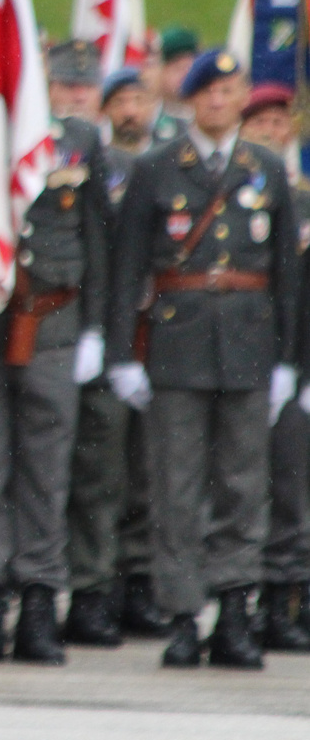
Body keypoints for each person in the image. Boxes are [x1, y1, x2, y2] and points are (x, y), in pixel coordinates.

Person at [107, 49, 299, 669]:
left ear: (244, 97)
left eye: (230, 89)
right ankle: (185, 613)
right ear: (191, 99)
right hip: (175, 345)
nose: (219, 100)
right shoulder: (158, 168)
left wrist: (289, 359)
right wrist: (119, 355)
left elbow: (286, 277)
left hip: (248, 345)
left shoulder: (267, 169)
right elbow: (127, 266)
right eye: (208, 91)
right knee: (177, 486)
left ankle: (237, 610)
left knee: (246, 485)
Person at [0, 40, 110, 665]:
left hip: (55, 323)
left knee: (47, 466)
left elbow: (100, 242)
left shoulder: (79, 141)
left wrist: (98, 331)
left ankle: (40, 599)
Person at [60, 66, 149, 648]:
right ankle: (78, 587)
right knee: (72, 472)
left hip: (124, 335)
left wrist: (111, 341)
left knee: (118, 475)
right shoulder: (77, 157)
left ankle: (112, 586)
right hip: (64, 327)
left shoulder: (148, 167)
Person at [240, 82, 310, 651]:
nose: (270, 130)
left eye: (278, 122)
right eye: (258, 121)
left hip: (296, 364)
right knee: (238, 486)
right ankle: (237, 599)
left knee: (291, 490)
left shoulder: (304, 196)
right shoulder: (234, 188)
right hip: (235, 358)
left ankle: (285, 601)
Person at [148, 27, 198, 144]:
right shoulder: (148, 118)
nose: (185, 75)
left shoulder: (206, 117)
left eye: (190, 68)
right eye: (177, 68)